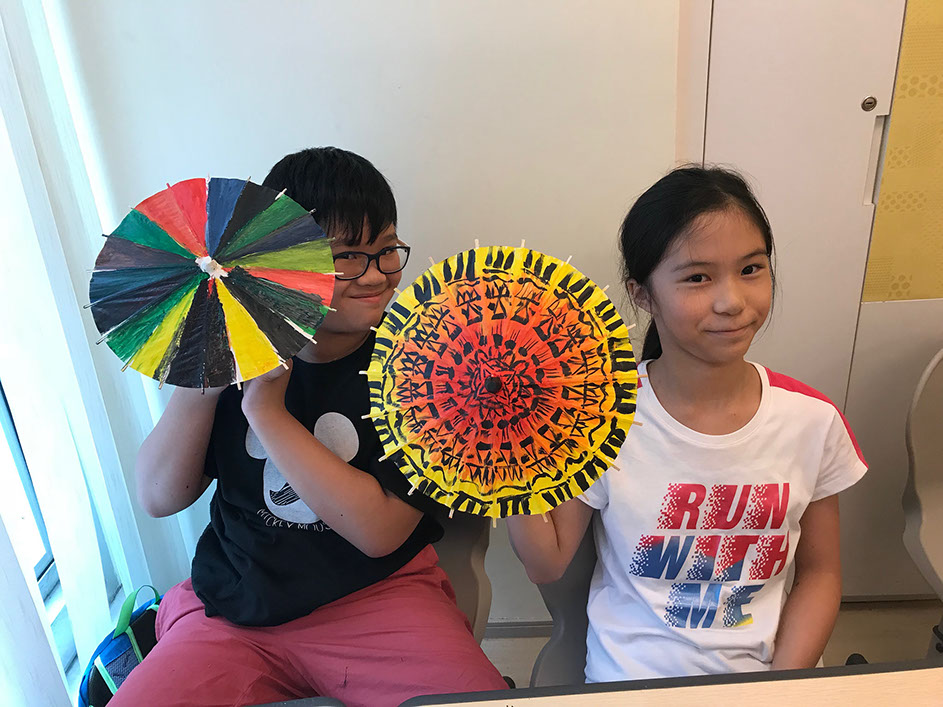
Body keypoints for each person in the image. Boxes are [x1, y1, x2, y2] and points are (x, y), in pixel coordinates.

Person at [114, 147, 506, 707]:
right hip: (234, 608)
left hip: (380, 598)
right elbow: (158, 496)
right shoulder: (235, 350)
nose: (377, 274)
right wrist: (205, 369)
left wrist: (267, 413)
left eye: (386, 250)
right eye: (347, 257)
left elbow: (379, 534)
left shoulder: (429, 368)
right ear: (279, 261)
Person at [506, 166, 867, 682]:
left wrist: (780, 687)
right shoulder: (601, 415)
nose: (732, 301)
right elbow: (548, 563)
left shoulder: (812, 420)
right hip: (629, 682)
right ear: (642, 294)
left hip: (765, 681)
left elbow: (820, 574)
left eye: (751, 269)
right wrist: (510, 446)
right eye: (698, 277)